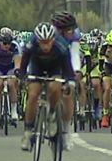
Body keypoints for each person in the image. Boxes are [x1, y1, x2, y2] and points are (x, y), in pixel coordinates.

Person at [17, 22, 74, 151]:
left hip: (55, 68)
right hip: (37, 68)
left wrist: (68, 82)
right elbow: (23, 65)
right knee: (32, 95)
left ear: (53, 39)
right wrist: (22, 77)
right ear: (37, 40)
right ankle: (28, 131)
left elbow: (68, 69)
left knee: (54, 88)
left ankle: (53, 114)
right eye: (42, 42)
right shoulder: (31, 44)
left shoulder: (61, 46)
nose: (45, 46)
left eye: (48, 42)